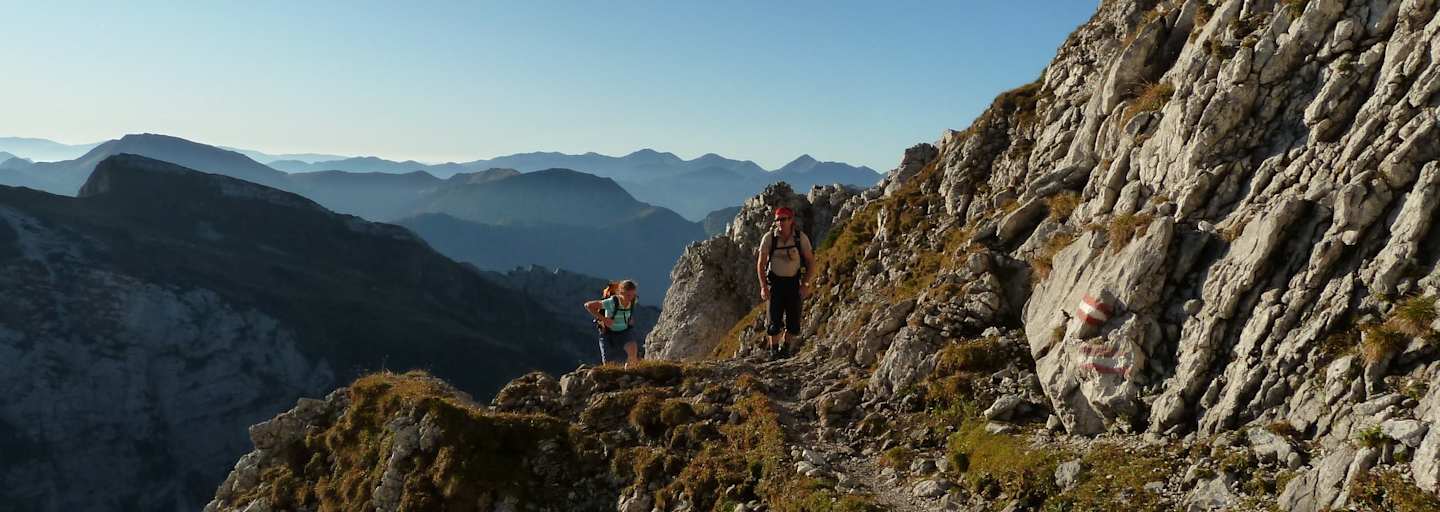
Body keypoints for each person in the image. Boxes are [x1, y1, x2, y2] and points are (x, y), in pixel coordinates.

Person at [756, 206, 814, 358]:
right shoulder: (769, 238)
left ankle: (786, 349)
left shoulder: (800, 238)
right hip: (774, 284)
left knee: (793, 323)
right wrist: (763, 287)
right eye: (778, 220)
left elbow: (810, 262)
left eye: (784, 219)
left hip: (794, 284)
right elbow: (761, 264)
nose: (780, 222)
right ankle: (774, 351)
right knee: (774, 322)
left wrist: (805, 284)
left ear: (791, 220)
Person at [585, 280, 641, 366]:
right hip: (608, 334)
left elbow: (628, 311)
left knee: (633, 350)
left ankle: (631, 372)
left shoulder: (633, 301)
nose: (631, 298)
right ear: (621, 293)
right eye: (628, 295)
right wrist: (604, 319)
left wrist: (629, 318)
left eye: (633, 295)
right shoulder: (612, 302)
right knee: (608, 364)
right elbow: (588, 305)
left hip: (624, 332)